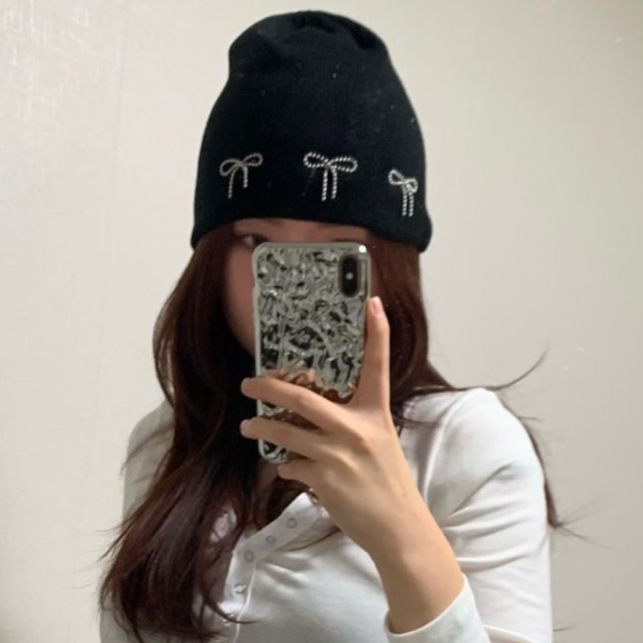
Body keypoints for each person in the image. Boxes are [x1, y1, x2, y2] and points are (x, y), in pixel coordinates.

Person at [97, 10, 559, 643]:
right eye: (256, 241)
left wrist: (398, 529)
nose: (287, 282)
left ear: (388, 263)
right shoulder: (165, 442)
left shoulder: (467, 447)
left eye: (335, 249)